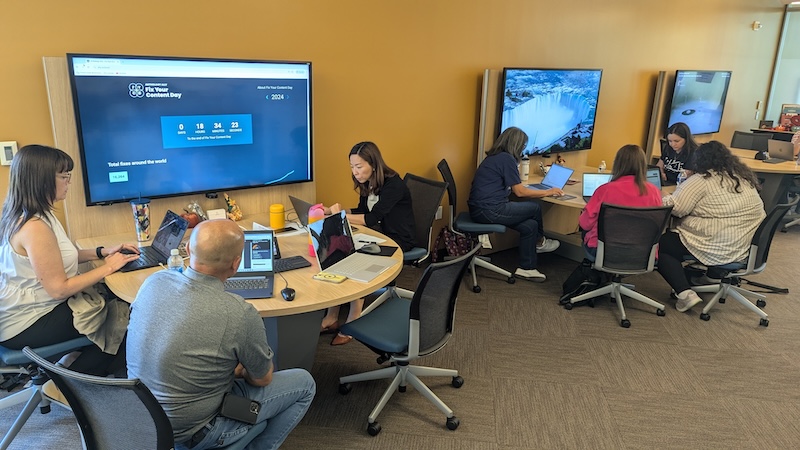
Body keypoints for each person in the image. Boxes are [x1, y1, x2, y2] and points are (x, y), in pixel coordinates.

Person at [126, 219, 315, 449]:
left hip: (140, 419)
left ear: (187, 250)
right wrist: (237, 368)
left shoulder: (153, 282)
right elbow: (262, 378)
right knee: (305, 384)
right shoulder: (238, 312)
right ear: (236, 264)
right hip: (196, 430)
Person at [0, 144, 139, 376]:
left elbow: (55, 258)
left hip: (24, 307)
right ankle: (68, 384)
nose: (69, 182)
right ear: (41, 180)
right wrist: (109, 267)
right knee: (124, 321)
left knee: (113, 303)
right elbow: (58, 289)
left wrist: (102, 252)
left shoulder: (30, 213)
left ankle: (69, 364)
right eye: (64, 176)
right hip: (26, 322)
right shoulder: (34, 228)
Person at [322, 141, 415, 345]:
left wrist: (340, 216)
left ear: (373, 164)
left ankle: (354, 318)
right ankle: (331, 316)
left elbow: (372, 218)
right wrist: (334, 212)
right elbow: (361, 211)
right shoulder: (368, 182)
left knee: (355, 257)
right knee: (338, 250)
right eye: (352, 167)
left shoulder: (394, 185)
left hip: (398, 239)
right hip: (379, 234)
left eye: (359, 166)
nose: (355, 172)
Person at [657, 141, 765, 312]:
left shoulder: (702, 180)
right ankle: (713, 275)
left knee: (663, 244)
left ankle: (685, 294)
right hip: (745, 246)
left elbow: (677, 208)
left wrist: (662, 193)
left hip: (718, 246)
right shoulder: (742, 177)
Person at [467, 127, 561, 282]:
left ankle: (527, 268)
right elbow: (520, 192)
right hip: (490, 210)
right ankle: (540, 242)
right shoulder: (506, 159)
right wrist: (547, 192)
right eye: (523, 146)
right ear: (516, 145)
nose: (523, 149)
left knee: (530, 225)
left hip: (480, 209)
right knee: (535, 207)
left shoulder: (494, 157)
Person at [578, 145, 662, 261]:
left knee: (586, 231)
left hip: (604, 251)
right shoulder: (654, 191)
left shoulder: (605, 190)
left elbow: (585, 224)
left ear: (617, 163)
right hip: (643, 253)